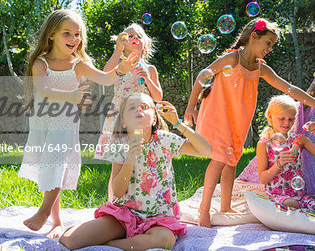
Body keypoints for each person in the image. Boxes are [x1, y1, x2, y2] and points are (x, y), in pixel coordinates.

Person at [184, 18, 315, 227]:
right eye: (268, 43)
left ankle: (224, 207)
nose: (270, 48)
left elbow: (290, 89)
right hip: (218, 114)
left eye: (272, 45)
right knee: (220, 158)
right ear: (254, 36)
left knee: (232, 159)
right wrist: (190, 106)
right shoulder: (232, 59)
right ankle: (203, 211)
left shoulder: (260, 68)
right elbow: (203, 75)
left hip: (238, 117)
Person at [18, 9, 138, 238]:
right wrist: (72, 95)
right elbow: (44, 89)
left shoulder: (78, 64)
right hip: (43, 122)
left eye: (77, 34)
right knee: (49, 169)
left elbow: (105, 78)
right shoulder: (40, 63)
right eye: (67, 34)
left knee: (57, 163)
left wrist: (120, 70)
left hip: (65, 123)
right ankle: (57, 221)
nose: (74, 39)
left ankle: (43, 212)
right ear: (51, 34)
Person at [59, 92, 212, 250]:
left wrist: (178, 123)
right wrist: (130, 159)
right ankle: (128, 238)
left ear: (153, 118)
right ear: (124, 121)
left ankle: (112, 244)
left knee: (166, 240)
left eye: (144, 107)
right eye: (132, 107)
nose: (139, 109)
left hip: (158, 219)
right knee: (69, 240)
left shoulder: (164, 140)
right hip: (124, 215)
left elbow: (206, 151)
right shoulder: (120, 146)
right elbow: (118, 191)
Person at [96, 23, 163, 200]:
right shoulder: (120, 66)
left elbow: (157, 97)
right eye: (129, 36)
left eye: (139, 36)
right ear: (123, 42)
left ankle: (139, 201)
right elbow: (105, 76)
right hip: (121, 120)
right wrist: (117, 51)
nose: (134, 38)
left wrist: (148, 79)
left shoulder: (149, 69)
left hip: (142, 121)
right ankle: (113, 203)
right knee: (118, 162)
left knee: (143, 162)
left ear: (145, 45)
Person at [256, 95, 315, 227]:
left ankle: (307, 220)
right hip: (277, 197)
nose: (287, 123)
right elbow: (263, 179)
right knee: (291, 205)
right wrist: (278, 164)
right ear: (270, 116)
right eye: (282, 118)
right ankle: (308, 222)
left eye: (291, 119)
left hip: (300, 196)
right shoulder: (264, 144)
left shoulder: (298, 140)